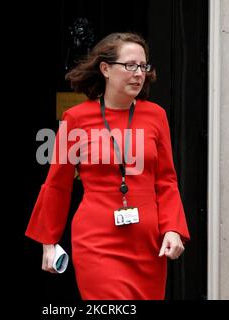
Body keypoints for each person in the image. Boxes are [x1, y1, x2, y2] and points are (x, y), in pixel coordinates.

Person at [25, 32, 190, 300]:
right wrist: (48, 242)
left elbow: (166, 180)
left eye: (143, 66)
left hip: (147, 244)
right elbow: (58, 182)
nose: (139, 73)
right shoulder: (76, 118)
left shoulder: (156, 116)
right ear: (105, 69)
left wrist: (173, 228)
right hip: (97, 241)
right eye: (130, 65)